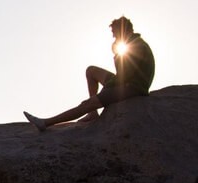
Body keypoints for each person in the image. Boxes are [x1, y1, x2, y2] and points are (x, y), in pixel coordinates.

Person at [24, 16, 155, 132]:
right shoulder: (133, 43)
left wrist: (104, 91)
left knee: (87, 103)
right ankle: (93, 113)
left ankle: (45, 123)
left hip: (133, 87)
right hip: (126, 81)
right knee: (91, 71)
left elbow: (124, 76)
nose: (114, 37)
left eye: (115, 34)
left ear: (123, 31)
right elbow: (123, 73)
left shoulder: (136, 46)